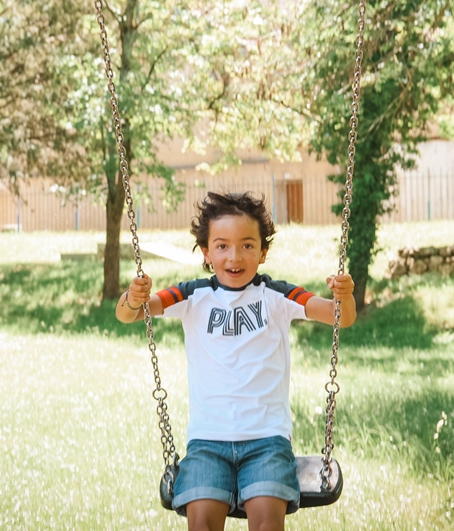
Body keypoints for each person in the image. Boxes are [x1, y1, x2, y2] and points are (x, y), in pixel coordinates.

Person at [116, 191, 356, 531]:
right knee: (201, 524)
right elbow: (129, 314)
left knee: (267, 525)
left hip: (267, 440)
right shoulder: (191, 295)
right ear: (206, 252)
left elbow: (340, 318)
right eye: (222, 245)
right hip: (207, 442)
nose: (235, 256)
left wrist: (343, 298)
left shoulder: (278, 295)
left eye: (246, 245)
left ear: (263, 252)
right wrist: (132, 297)